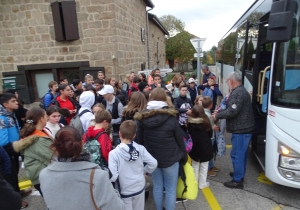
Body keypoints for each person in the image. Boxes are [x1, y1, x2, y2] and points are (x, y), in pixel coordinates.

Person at [39, 126, 125, 210]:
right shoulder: (98, 176)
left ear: (56, 148)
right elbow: (118, 207)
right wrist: (114, 192)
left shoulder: (44, 174)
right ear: (82, 143)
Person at [134, 88, 187, 210]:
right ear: (164, 98)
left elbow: (140, 141)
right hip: (171, 158)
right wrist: (183, 156)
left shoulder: (142, 118)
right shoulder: (171, 116)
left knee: (157, 186)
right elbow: (180, 140)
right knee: (170, 188)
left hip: (152, 159)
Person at [212, 72, 255, 189]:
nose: (227, 84)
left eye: (227, 81)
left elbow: (232, 111)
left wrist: (217, 116)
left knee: (237, 155)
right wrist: (220, 113)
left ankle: (237, 181)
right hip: (244, 128)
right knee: (242, 154)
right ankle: (239, 174)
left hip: (241, 130)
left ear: (231, 81)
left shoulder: (238, 93)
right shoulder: (240, 91)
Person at [109, 120, 157, 210]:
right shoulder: (140, 148)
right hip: (139, 186)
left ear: (119, 134)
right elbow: (153, 163)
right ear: (134, 136)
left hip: (125, 190)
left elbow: (113, 176)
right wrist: (145, 171)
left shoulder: (113, 154)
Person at [13, 107, 53, 196]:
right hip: (42, 176)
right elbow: (52, 156)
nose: (48, 118)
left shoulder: (37, 132)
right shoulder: (38, 139)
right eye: (46, 115)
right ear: (41, 119)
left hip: (40, 174)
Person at [0, 93, 30, 208]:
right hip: (8, 152)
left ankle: (17, 191)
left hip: (14, 149)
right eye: (13, 101)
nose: (17, 102)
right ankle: (15, 198)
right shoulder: (2, 118)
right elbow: (2, 142)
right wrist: (19, 148)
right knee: (10, 174)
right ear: (5, 104)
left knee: (15, 172)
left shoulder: (11, 114)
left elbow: (24, 122)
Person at [187, 105, 213, 189]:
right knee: (204, 166)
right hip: (205, 147)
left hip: (194, 147)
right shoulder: (206, 121)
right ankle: (202, 184)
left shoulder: (189, 122)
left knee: (195, 165)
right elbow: (210, 134)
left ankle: (195, 183)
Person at [202, 97, 220, 177]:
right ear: (211, 105)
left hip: (210, 136)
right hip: (210, 137)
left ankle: (211, 166)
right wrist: (213, 127)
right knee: (209, 153)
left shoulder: (207, 113)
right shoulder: (207, 115)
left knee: (210, 152)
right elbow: (206, 127)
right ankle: (208, 169)